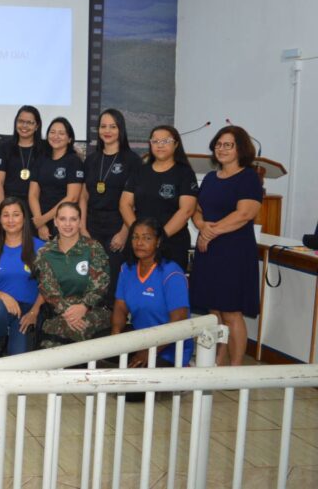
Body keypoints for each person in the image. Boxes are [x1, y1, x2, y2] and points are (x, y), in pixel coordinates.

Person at [190, 126, 263, 366]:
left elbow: (244, 214)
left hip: (234, 251)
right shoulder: (211, 178)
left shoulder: (249, 177)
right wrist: (201, 225)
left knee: (232, 312)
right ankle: (217, 360)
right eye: (218, 144)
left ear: (240, 149)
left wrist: (210, 231)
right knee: (214, 312)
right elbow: (197, 210)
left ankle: (236, 366)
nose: (221, 149)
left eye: (227, 145)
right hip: (209, 252)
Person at [112, 217, 192, 367]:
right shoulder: (127, 269)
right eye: (135, 237)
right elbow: (120, 308)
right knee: (96, 348)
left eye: (146, 238)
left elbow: (179, 322)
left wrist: (150, 351)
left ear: (159, 241)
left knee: (133, 385)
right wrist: (115, 336)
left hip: (169, 346)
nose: (139, 243)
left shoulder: (171, 273)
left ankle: (181, 371)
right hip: (140, 337)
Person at [80, 109, 140, 304]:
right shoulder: (91, 159)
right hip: (92, 225)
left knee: (113, 281)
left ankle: (114, 329)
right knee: (90, 278)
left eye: (112, 127)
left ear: (120, 130)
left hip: (118, 225)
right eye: (103, 126)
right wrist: (82, 227)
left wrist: (125, 232)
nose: (107, 131)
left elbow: (135, 202)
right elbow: (83, 195)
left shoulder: (132, 160)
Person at [33, 201, 111, 348]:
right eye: (62, 219)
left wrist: (84, 306)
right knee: (51, 339)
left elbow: (100, 284)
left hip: (92, 309)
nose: (67, 224)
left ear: (80, 222)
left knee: (74, 332)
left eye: (73, 219)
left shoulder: (93, 248)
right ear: (55, 221)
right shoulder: (45, 253)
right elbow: (48, 289)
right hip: (59, 312)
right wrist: (67, 312)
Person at [120, 125, 199, 269]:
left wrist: (158, 238)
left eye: (165, 141)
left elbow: (186, 210)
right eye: (155, 141)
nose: (160, 145)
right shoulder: (140, 171)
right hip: (139, 246)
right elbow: (125, 204)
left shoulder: (185, 173)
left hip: (171, 242)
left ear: (176, 144)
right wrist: (139, 236)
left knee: (168, 288)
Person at [0, 198, 46, 358]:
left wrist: (34, 312)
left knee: (18, 358)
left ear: (24, 218)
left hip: (28, 310)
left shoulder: (40, 247)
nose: (11, 220)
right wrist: (4, 296)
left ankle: (15, 336)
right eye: (6, 215)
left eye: (16, 215)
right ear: (0, 220)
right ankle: (2, 336)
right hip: (3, 306)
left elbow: (47, 286)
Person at [29, 117, 84, 240]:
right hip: (39, 220)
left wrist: (43, 219)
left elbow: (72, 197)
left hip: (64, 222)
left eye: (61, 133)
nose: (56, 136)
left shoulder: (74, 161)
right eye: (52, 132)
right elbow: (33, 194)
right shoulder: (41, 159)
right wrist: (40, 223)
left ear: (69, 139)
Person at [0, 105, 44, 203]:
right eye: (20, 121)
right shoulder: (5, 148)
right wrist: (2, 210)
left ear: (37, 126)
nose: (24, 126)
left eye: (29, 122)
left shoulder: (45, 148)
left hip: (38, 204)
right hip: (10, 202)